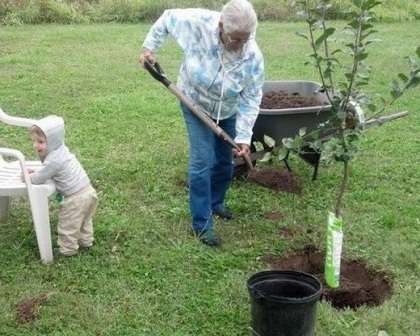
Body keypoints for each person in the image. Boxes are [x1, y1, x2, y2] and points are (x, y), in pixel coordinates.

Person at [139, 0, 264, 247]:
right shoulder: (198, 23)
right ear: (220, 26)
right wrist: (148, 48)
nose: (240, 45)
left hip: (227, 110)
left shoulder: (252, 56)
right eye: (235, 39)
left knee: (224, 163)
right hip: (194, 102)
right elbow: (167, 18)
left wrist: (243, 136)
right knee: (202, 161)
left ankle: (216, 202)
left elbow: (251, 96)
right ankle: (202, 223)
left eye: (245, 39)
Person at [28, 115, 98, 256]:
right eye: (34, 141)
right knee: (84, 219)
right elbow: (48, 171)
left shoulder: (54, 159)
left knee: (68, 225)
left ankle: (68, 250)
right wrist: (38, 171)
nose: (36, 145)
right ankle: (86, 241)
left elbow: (38, 179)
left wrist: (27, 176)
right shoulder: (61, 150)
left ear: (53, 141)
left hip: (75, 198)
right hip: (88, 191)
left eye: (41, 141)